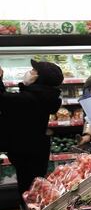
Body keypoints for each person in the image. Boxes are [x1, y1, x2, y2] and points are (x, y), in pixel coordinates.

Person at [0, 60, 64, 198]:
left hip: (26, 151)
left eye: (34, 71)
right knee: (34, 188)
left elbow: (3, 100)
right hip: (36, 149)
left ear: (39, 78)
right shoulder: (45, 96)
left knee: (28, 191)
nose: (29, 72)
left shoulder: (30, 99)